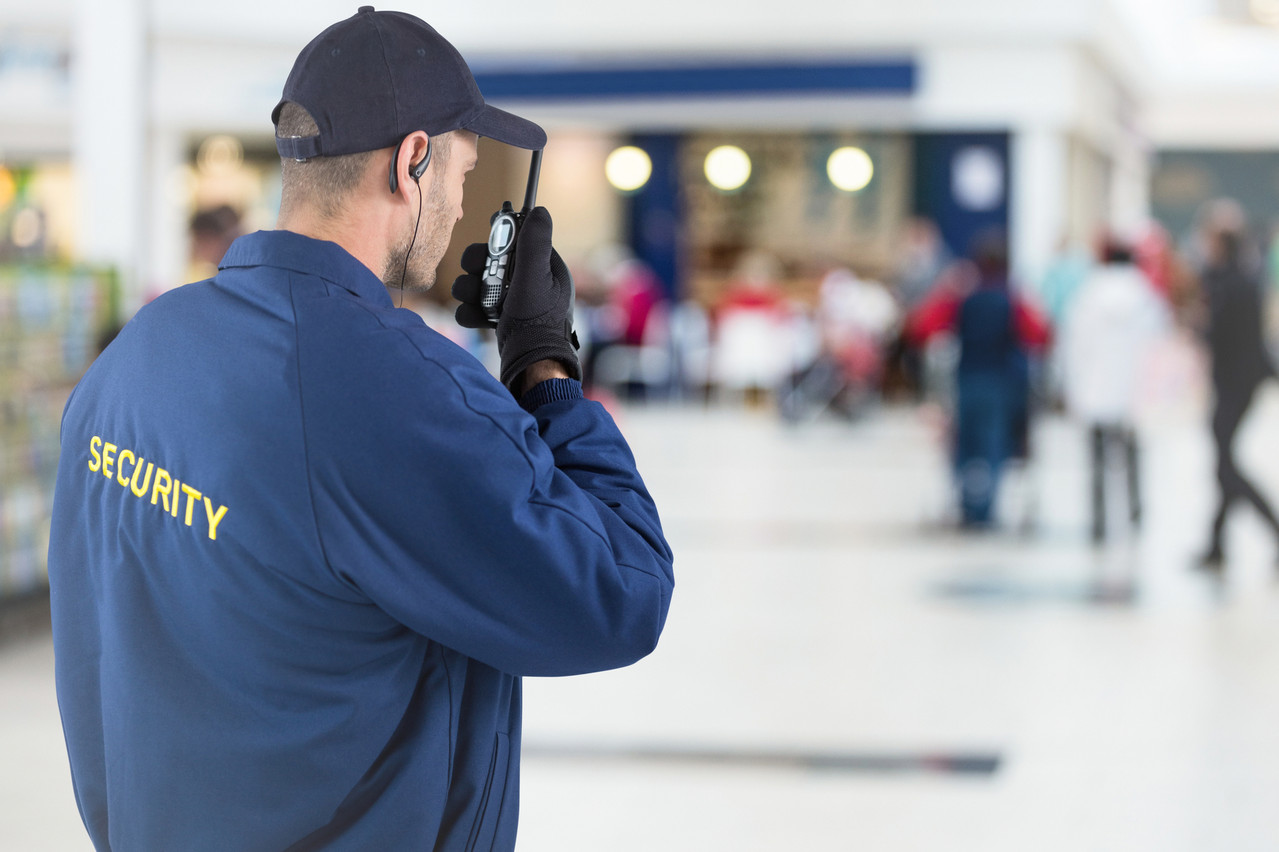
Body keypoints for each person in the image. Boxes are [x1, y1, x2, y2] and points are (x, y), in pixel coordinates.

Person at [47, 8, 674, 851]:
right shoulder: (396, 387)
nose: (459, 208)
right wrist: (544, 370)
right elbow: (620, 595)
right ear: (411, 161)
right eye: (461, 173)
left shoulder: (136, 353)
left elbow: (95, 646)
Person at [907, 230, 1050, 528]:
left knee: (964, 447)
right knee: (994, 446)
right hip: (1003, 385)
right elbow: (1040, 335)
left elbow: (922, 328)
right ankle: (987, 509)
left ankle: (968, 506)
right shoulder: (1013, 299)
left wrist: (947, 288)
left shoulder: (961, 297)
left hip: (968, 380)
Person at [1060, 236, 1170, 543]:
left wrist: (1072, 386)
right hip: (1131, 391)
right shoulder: (1146, 296)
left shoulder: (1087, 296)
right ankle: (1135, 514)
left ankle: (1098, 521)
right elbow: (1158, 343)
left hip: (1094, 389)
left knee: (1097, 459)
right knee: (1132, 456)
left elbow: (1073, 345)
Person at [1196, 214, 1279, 569]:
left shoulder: (1232, 284)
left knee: (1226, 466)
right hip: (1236, 383)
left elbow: (1224, 337)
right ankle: (1216, 544)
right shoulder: (1235, 280)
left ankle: (1273, 530)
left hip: (1236, 384)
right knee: (1223, 463)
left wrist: (1198, 325)